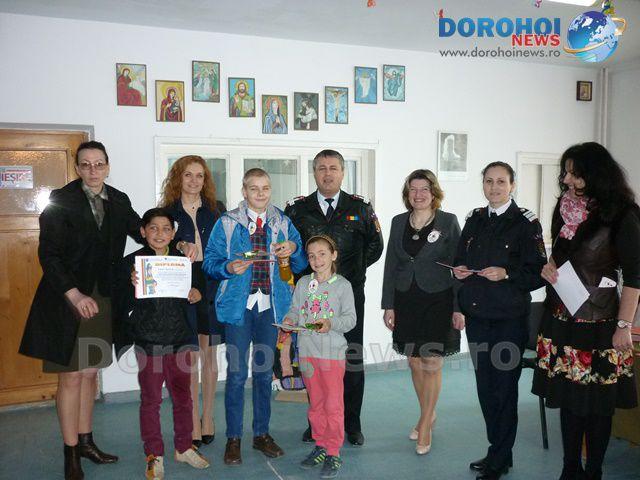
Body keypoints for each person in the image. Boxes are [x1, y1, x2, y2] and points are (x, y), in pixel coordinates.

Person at [18, 141, 139, 480]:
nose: (93, 170)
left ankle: (87, 442)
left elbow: (144, 230)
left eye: (99, 164)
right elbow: (49, 255)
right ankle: (70, 452)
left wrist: (174, 239)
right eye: (86, 164)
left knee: (89, 374)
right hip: (66, 301)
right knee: (70, 377)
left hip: (102, 300)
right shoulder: (61, 200)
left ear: (107, 166)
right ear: (77, 167)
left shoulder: (119, 199)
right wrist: (74, 294)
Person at [532, 142, 639, 480]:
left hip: (601, 323)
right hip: (562, 318)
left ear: (595, 175)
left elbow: (635, 276)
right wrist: (549, 267)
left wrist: (624, 325)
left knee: (599, 405)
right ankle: (569, 469)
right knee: (569, 400)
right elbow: (560, 255)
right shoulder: (563, 208)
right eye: (566, 173)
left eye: (574, 174)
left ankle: (593, 471)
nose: (566, 180)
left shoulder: (623, 214)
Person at [203, 168, 307, 465]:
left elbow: (300, 262)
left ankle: (261, 434)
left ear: (270, 190)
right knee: (236, 375)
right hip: (239, 309)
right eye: (254, 188)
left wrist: (293, 248)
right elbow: (209, 263)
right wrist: (228, 267)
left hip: (270, 308)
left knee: (263, 374)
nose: (260, 193)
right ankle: (233, 438)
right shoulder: (227, 223)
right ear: (244, 191)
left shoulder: (283, 222)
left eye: (265, 188)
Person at [453, 161, 546, 480]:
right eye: (489, 181)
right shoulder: (475, 219)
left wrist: (507, 274)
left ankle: (500, 456)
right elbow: (460, 260)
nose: (494, 187)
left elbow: (538, 272)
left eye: (501, 182)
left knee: (504, 389)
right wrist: (459, 270)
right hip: (478, 316)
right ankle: (498, 451)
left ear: (512, 185)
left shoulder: (525, 223)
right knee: (485, 388)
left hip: (508, 320)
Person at [285, 149, 384, 446]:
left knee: (350, 358)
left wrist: (348, 275)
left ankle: (351, 424)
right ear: (314, 173)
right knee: (314, 360)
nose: (327, 174)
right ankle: (316, 422)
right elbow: (291, 249)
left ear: (343, 172)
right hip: (311, 298)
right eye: (321, 168)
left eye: (333, 168)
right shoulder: (297, 210)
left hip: (348, 296)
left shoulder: (360, 208)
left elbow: (376, 246)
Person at [118, 208, 210, 479]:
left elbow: (199, 290)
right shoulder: (132, 263)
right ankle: (154, 453)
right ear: (143, 231)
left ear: (173, 233)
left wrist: (196, 293)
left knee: (183, 398)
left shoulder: (183, 260)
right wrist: (131, 285)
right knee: (151, 400)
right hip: (149, 340)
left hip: (180, 338)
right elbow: (122, 302)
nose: (160, 234)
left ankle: (184, 446)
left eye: (166, 229)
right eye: (153, 228)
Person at [381, 169, 463, 455]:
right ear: (407, 194)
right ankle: (428, 412)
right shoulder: (398, 222)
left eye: (424, 189)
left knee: (432, 362)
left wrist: (459, 308)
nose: (418, 194)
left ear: (433, 192)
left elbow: (458, 268)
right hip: (406, 300)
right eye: (413, 189)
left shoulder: (448, 221)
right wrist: (388, 304)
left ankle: (425, 423)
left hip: (438, 301)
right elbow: (391, 265)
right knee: (414, 362)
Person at [160, 155, 226, 449]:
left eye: (200, 176)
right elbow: (156, 243)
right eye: (188, 174)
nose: (194, 181)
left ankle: (208, 417)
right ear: (178, 177)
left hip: (211, 281)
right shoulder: (167, 212)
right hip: (182, 282)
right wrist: (178, 243)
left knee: (209, 354)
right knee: (189, 356)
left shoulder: (216, 209)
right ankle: (192, 422)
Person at [283, 235, 356, 479]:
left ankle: (333, 451)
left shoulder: (343, 285)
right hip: (307, 353)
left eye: (322, 254)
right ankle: (321, 445)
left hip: (332, 355)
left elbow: (350, 320)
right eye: (312, 256)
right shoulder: (304, 283)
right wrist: (289, 320)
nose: (317, 260)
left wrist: (330, 323)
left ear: (333, 255)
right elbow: (295, 310)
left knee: (333, 405)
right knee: (315, 404)